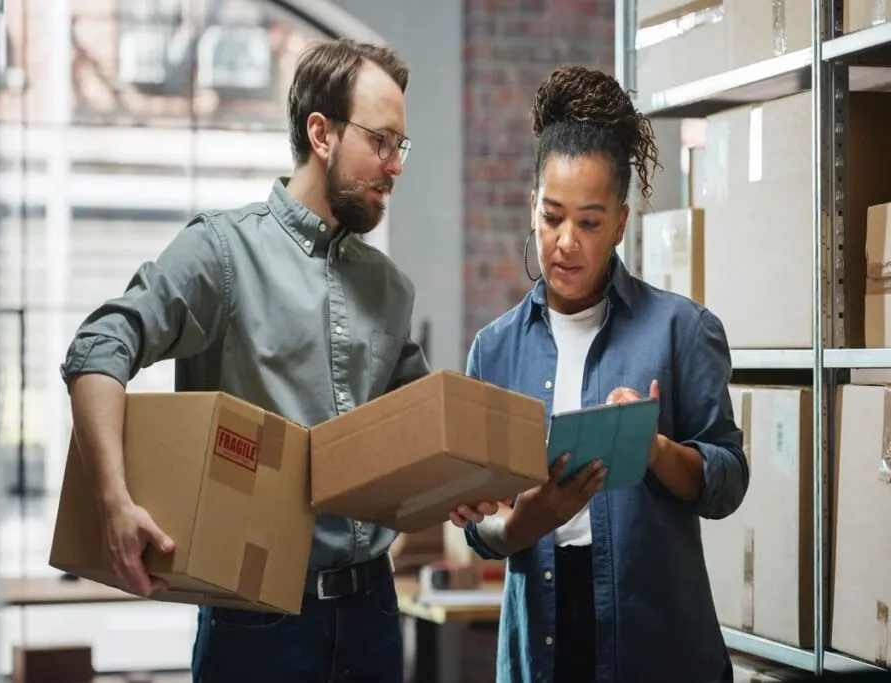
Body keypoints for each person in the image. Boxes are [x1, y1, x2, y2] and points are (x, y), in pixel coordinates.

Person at [59, 38, 429, 683]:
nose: (394, 165)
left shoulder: (389, 287)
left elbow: (422, 429)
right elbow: (99, 347)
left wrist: (467, 483)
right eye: (382, 141)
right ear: (322, 133)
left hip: (373, 608)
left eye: (401, 146)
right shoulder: (222, 253)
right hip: (258, 619)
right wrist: (113, 502)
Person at [449, 65, 749, 683]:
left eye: (589, 222)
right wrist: (527, 518)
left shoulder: (681, 330)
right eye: (552, 216)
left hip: (658, 645)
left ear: (619, 223)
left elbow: (728, 482)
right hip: (543, 646)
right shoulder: (494, 350)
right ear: (532, 206)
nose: (566, 241)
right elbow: (479, 531)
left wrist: (657, 448)